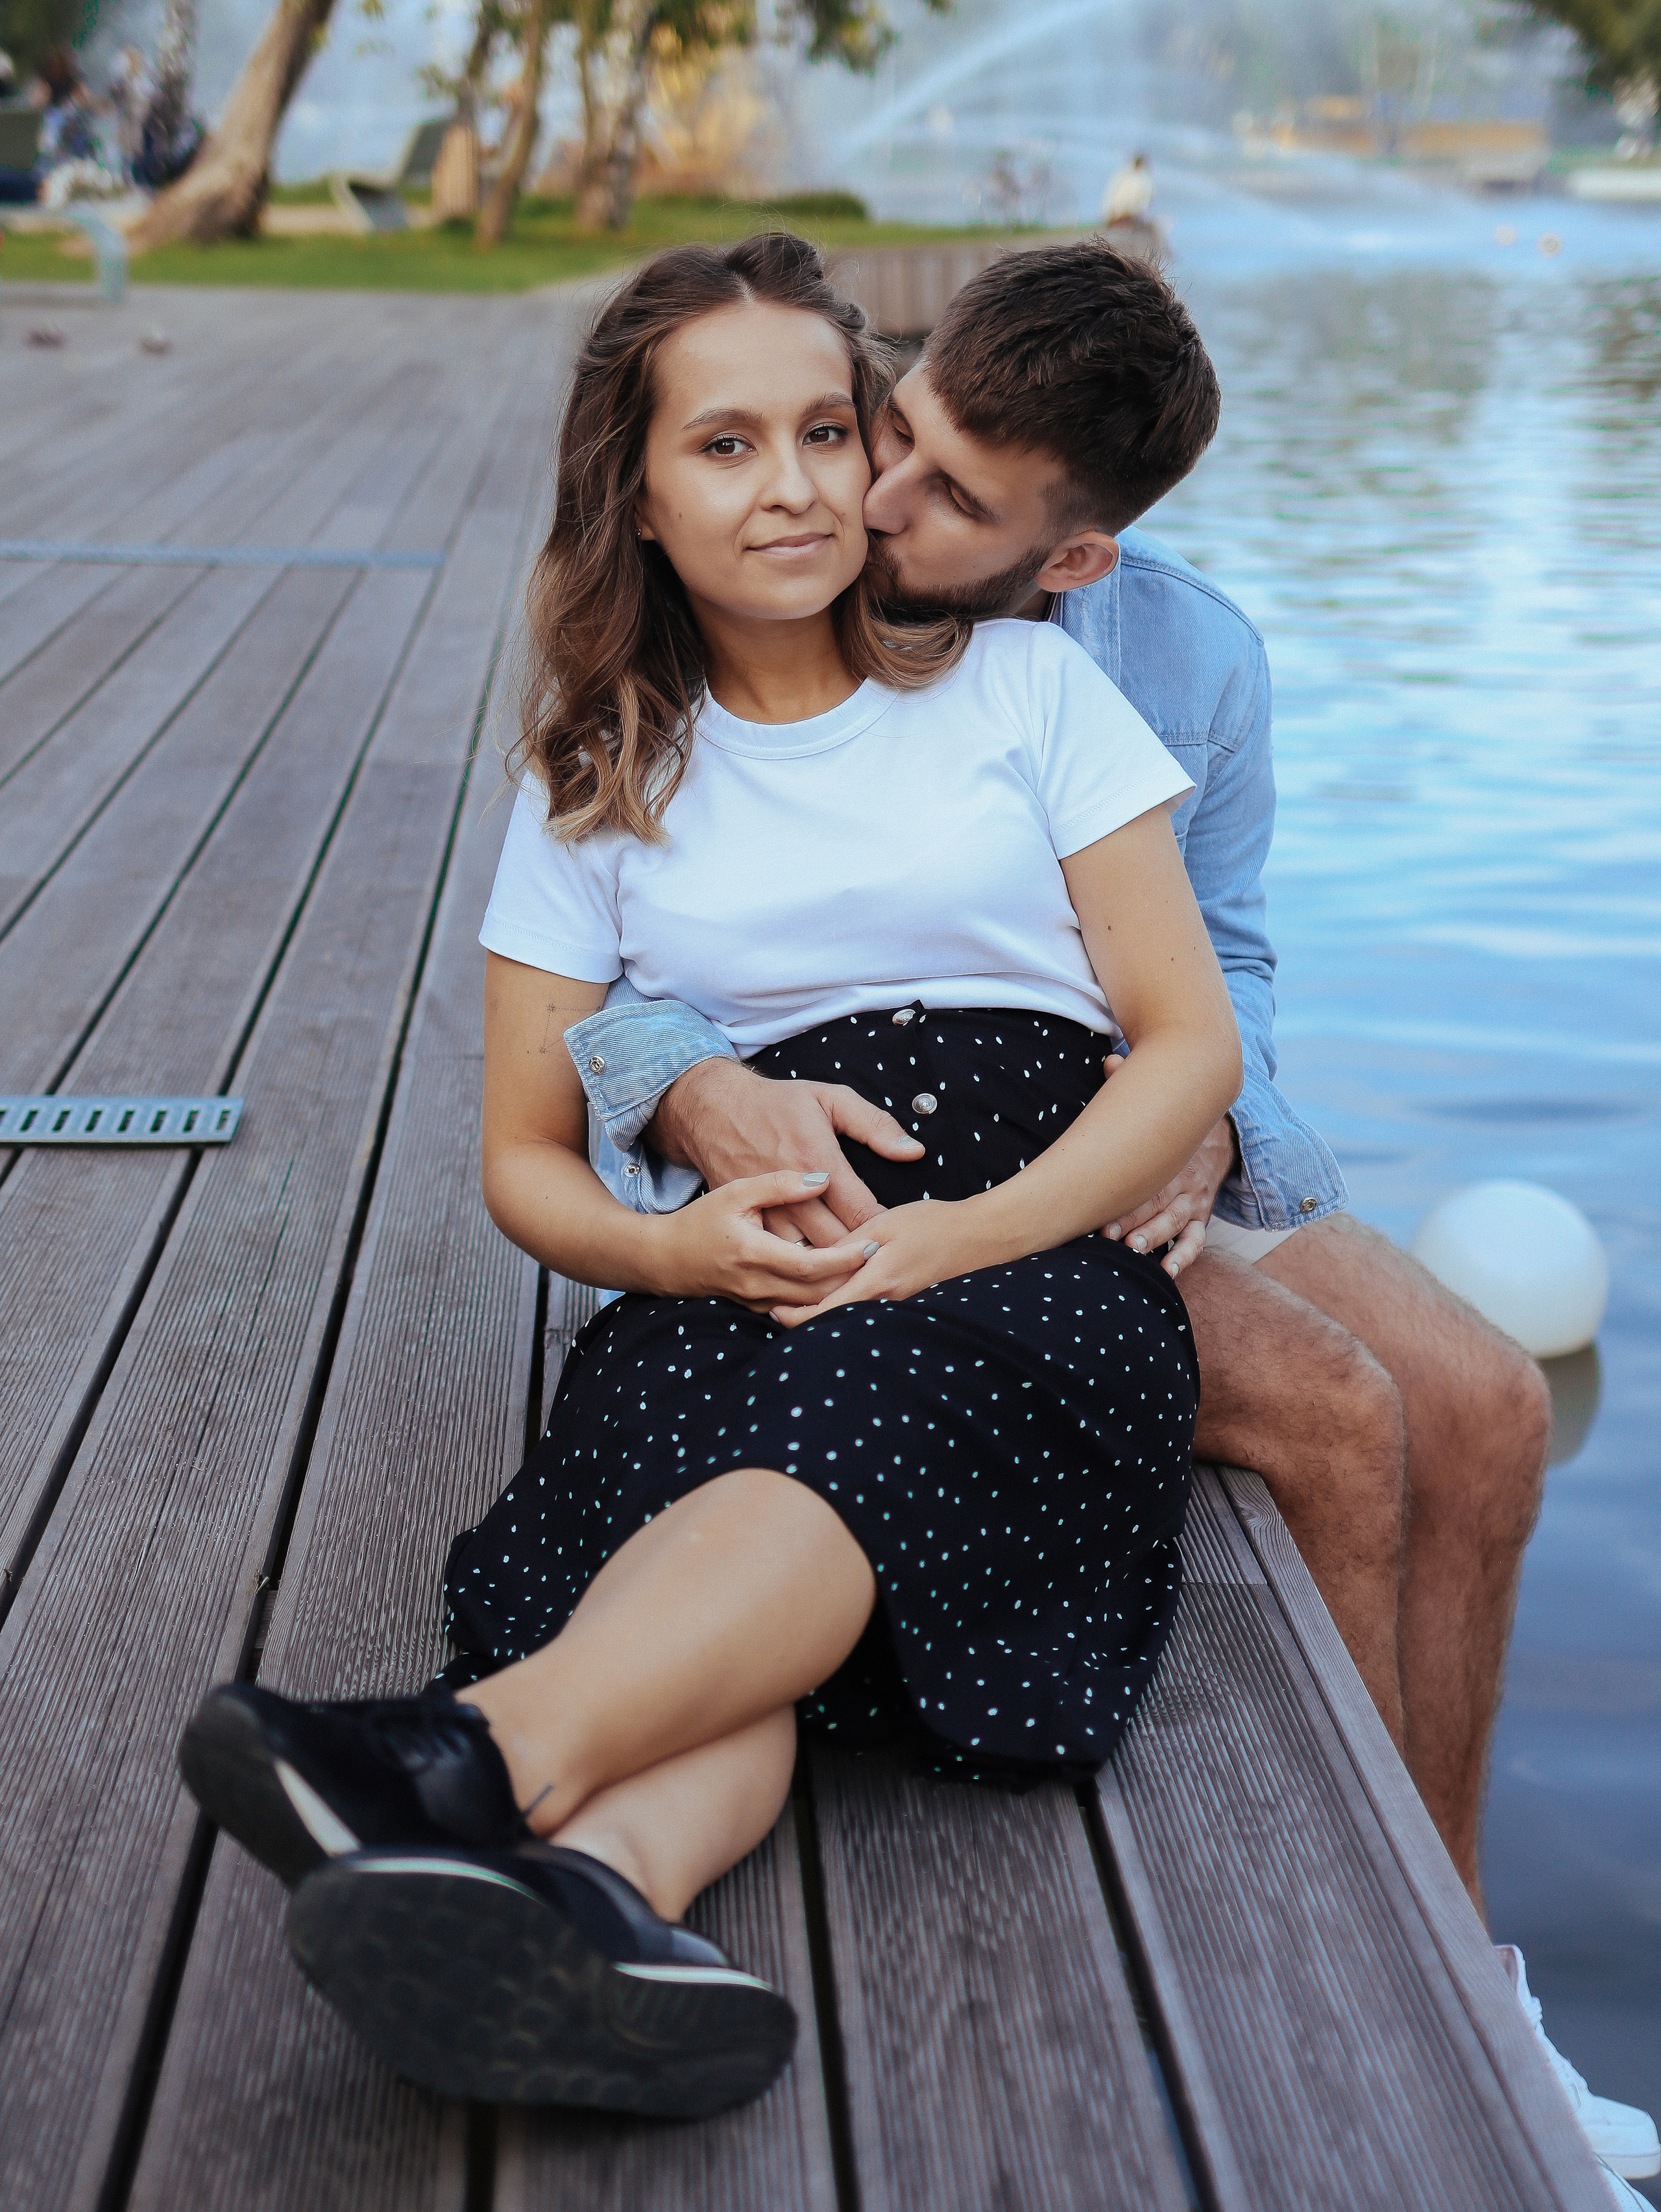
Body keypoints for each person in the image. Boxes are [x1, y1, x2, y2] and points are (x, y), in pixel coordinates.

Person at [564, 237, 1660, 2192]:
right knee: (1340, 1414)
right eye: (891, 432)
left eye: (950, 495)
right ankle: (1357, 1970)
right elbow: (632, 882)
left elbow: (1224, 965)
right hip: (905, 1139)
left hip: (1139, 1117)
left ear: (1072, 561)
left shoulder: (1184, 661)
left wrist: (1208, 1133)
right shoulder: (770, 560)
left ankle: (1469, 1964)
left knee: (1487, 1404)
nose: (874, 498)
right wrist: (681, 1077)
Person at [176, 232, 1244, 2115]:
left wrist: (964, 1238)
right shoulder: (599, 767)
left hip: (1027, 1252)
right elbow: (522, 1159)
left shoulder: (1028, 694)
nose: (804, 485)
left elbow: (1188, 1041)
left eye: (829, 432)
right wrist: (678, 1260)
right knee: (687, 1543)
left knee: (851, 1434)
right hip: (751, 1260)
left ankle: (453, 1758)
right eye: (729, 446)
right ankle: (604, 1909)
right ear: (642, 500)